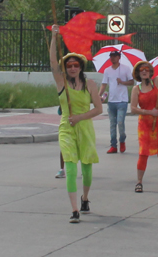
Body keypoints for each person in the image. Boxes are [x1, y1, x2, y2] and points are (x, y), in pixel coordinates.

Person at [49, 25, 103, 224]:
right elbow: (53, 61)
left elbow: (98, 109)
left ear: (81, 67)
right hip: (67, 128)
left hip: (85, 127)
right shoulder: (61, 81)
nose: (72, 68)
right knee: (71, 168)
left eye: (76, 65)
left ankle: (85, 199)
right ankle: (74, 210)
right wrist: (55, 37)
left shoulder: (90, 84)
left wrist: (80, 117)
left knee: (87, 170)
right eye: (69, 65)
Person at [130, 45, 158, 193]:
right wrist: (149, 112)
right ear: (138, 73)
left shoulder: (156, 82)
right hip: (145, 125)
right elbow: (133, 108)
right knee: (143, 153)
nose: (144, 71)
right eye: (141, 70)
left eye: (146, 69)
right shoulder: (136, 89)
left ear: (150, 72)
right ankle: (139, 181)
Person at [98, 51, 134, 154]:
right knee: (112, 124)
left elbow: (131, 82)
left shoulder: (125, 69)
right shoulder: (107, 70)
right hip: (111, 101)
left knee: (120, 122)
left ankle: (122, 139)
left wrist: (122, 82)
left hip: (122, 100)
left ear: (119, 57)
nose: (112, 58)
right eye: (111, 56)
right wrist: (98, 95)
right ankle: (113, 145)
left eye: (115, 56)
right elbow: (104, 84)